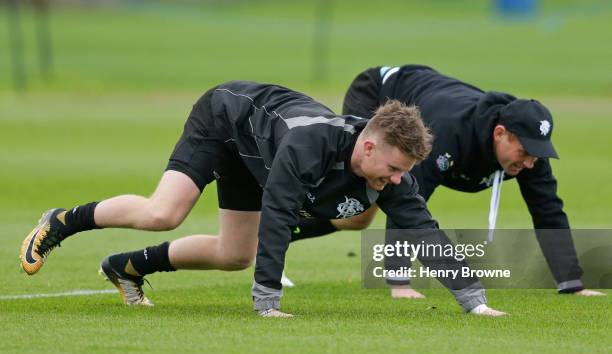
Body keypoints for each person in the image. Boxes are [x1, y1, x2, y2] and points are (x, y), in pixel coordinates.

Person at [20, 81, 506, 316]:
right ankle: (63, 220)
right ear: (370, 145)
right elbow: (277, 214)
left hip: (262, 155)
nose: (398, 180)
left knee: (234, 255)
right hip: (225, 123)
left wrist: (473, 301)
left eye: (405, 172)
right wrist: (268, 302)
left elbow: (423, 229)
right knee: (163, 213)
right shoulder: (311, 145)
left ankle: (126, 267)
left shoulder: (389, 172)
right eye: (395, 169)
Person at [289, 64, 605, 298]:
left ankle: (274, 229)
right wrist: (399, 281)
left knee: (358, 215)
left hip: (428, 95)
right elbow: (410, 199)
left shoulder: (529, 152)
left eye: (537, 154)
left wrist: (571, 282)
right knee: (363, 199)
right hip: (378, 92)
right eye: (524, 152)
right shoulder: (450, 135)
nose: (530, 161)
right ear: (499, 134)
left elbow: (547, 209)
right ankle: (277, 220)